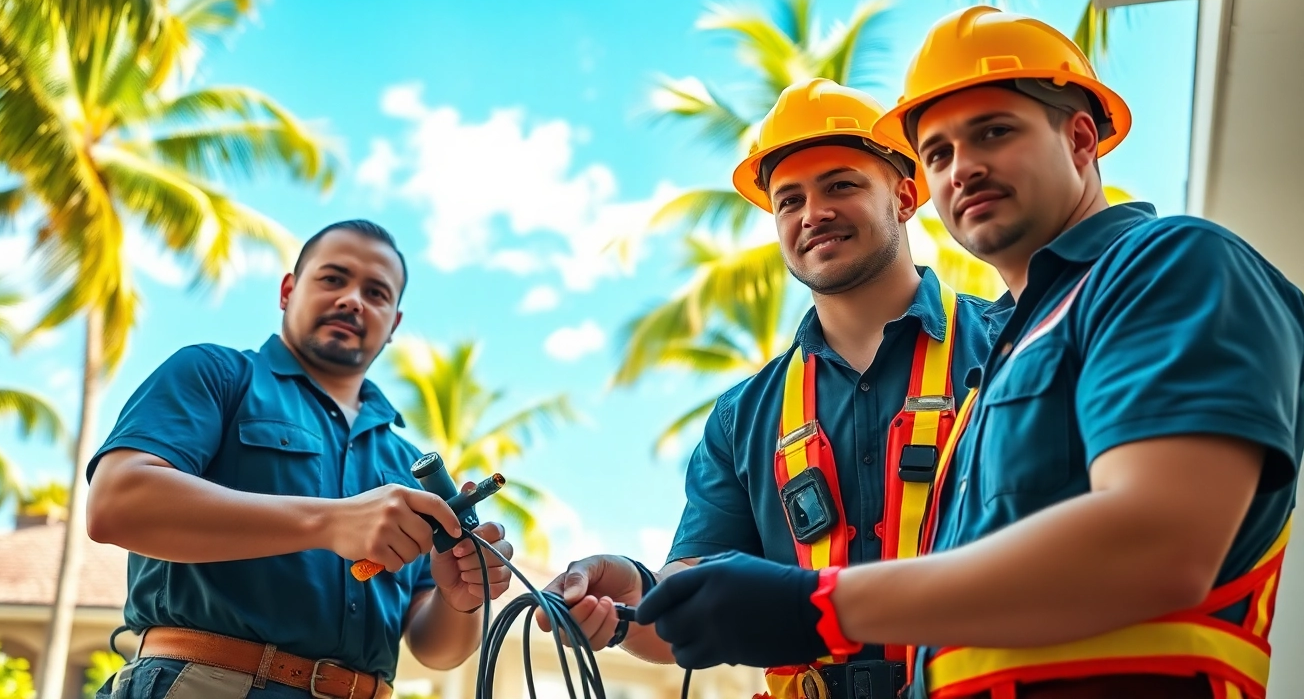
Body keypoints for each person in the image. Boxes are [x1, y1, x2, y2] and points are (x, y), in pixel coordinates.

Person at [633, 6, 1304, 699]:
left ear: (1080, 139)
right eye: (940, 153)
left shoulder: (1169, 266)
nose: (964, 169)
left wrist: (823, 606)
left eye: (994, 132)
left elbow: (1159, 542)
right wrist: (620, 596)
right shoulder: (1003, 367)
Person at [542, 79, 1001, 699]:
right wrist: (632, 597)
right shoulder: (743, 418)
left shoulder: (1006, 346)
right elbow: (687, 611)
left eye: (841, 184)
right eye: (789, 201)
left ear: (904, 196)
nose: (813, 213)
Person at [85, 220, 514, 699]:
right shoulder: (216, 374)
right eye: (333, 279)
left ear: (393, 323)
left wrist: (461, 599)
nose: (353, 299)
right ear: (288, 290)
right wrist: (330, 523)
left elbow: (435, 649)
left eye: (376, 292)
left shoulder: (407, 461)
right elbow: (116, 504)